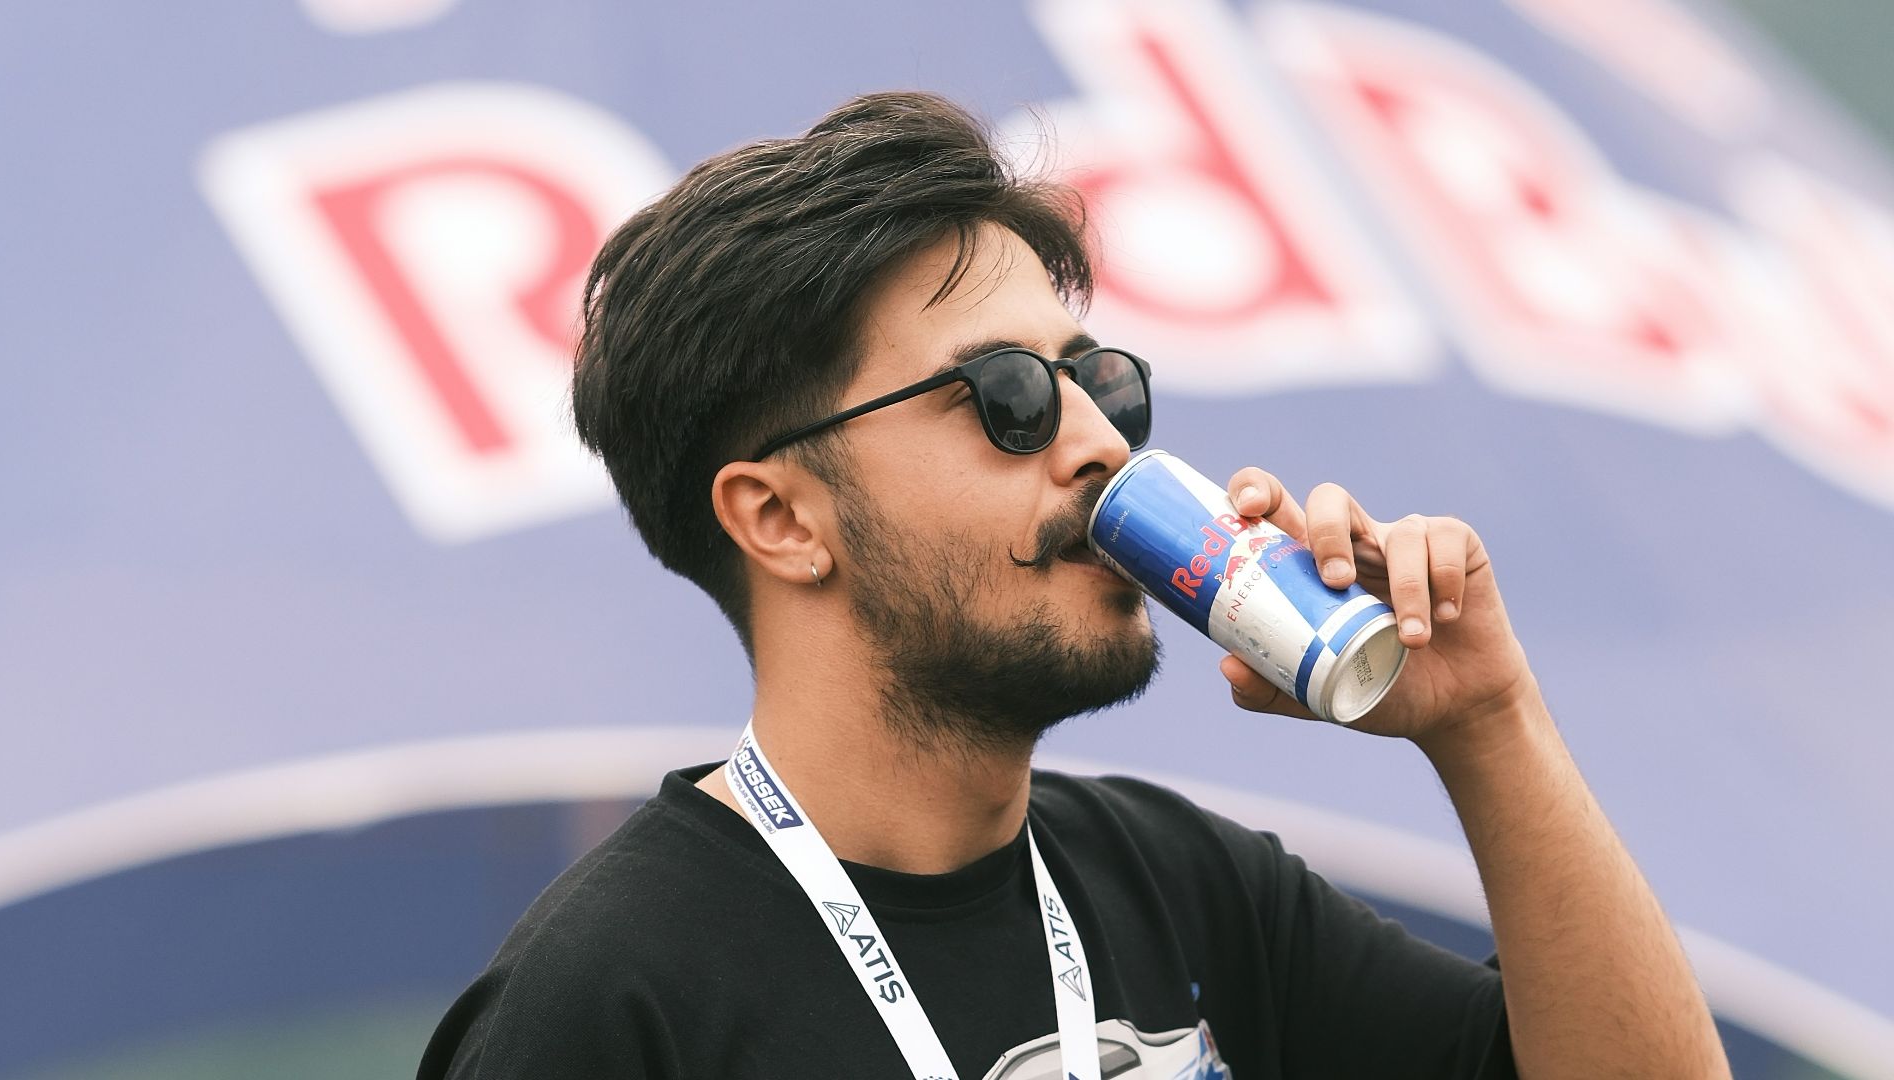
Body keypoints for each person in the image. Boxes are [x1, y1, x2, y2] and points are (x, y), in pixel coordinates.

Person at [418, 91, 1730, 1080]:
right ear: (780, 517)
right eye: (1006, 398)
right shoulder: (606, 1003)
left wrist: (1486, 723)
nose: (1102, 442)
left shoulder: (1187, 887)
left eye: (1100, 380)